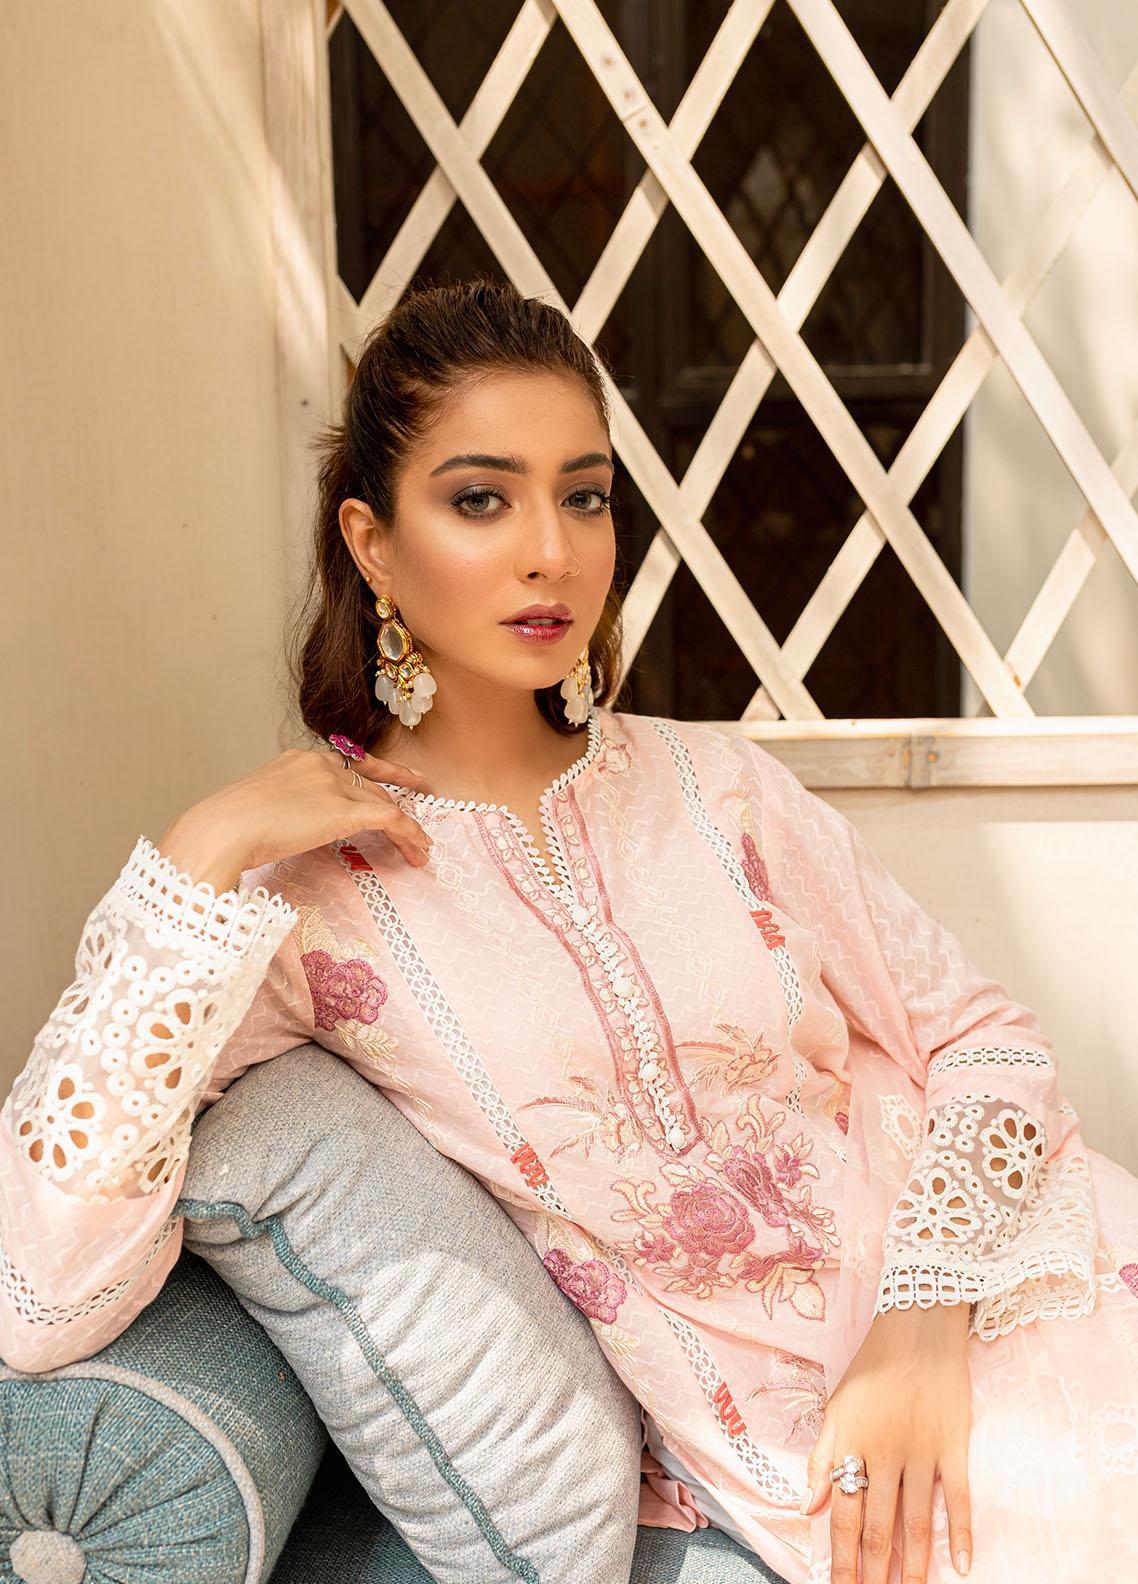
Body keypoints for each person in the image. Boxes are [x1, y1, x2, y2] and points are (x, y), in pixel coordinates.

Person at [2, 278, 1136, 1584]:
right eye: (481, 500)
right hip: (787, 1431)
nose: (552, 551)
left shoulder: (719, 789)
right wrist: (196, 857)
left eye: (583, 496)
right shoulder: (301, 903)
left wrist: (920, 1328)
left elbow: (984, 1040)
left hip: (1002, 1278)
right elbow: (42, 1293)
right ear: (372, 544)